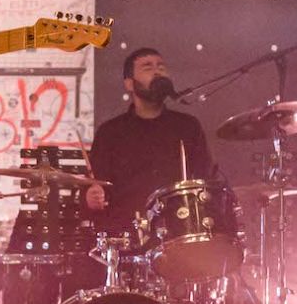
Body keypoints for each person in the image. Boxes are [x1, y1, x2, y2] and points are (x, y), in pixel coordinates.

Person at [84, 48, 214, 233]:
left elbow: (206, 181)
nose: (157, 71)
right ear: (129, 84)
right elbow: (95, 186)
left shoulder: (187, 127)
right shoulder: (110, 133)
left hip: (179, 233)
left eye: (161, 66)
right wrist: (90, 198)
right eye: (147, 67)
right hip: (126, 236)